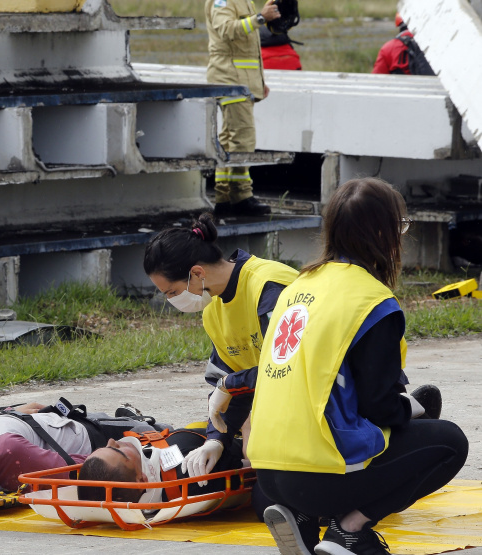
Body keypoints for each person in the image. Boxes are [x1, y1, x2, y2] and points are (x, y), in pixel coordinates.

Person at [248, 178, 468, 555]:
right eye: (401, 227)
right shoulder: (371, 300)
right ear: (383, 232)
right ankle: (349, 530)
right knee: (449, 442)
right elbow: (377, 405)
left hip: (266, 472)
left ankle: (300, 517)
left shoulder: (297, 287)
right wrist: (410, 410)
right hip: (319, 473)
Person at [143, 213, 299, 486]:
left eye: (171, 292)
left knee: (274, 498)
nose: (171, 301)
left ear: (197, 273)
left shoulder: (269, 287)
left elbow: (291, 369)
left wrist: (230, 384)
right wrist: (215, 440)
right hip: (284, 410)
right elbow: (224, 384)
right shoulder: (213, 309)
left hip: (322, 406)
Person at [0, 401, 162, 496]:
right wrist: (128, 446)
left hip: (48, 419)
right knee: (160, 433)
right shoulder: (3, 453)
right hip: (96, 435)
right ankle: (136, 423)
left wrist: (12, 411)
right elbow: (90, 472)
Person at [206, 0, 281, 216]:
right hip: (230, 80)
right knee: (242, 138)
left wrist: (259, 82)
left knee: (230, 139)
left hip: (238, 81)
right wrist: (260, 18)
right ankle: (240, 197)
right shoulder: (224, 1)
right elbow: (226, 29)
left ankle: (223, 197)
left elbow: (246, 50)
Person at [77, 426, 251, 511]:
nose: (111, 441)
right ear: (142, 480)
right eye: (117, 450)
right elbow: (253, 466)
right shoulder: (193, 469)